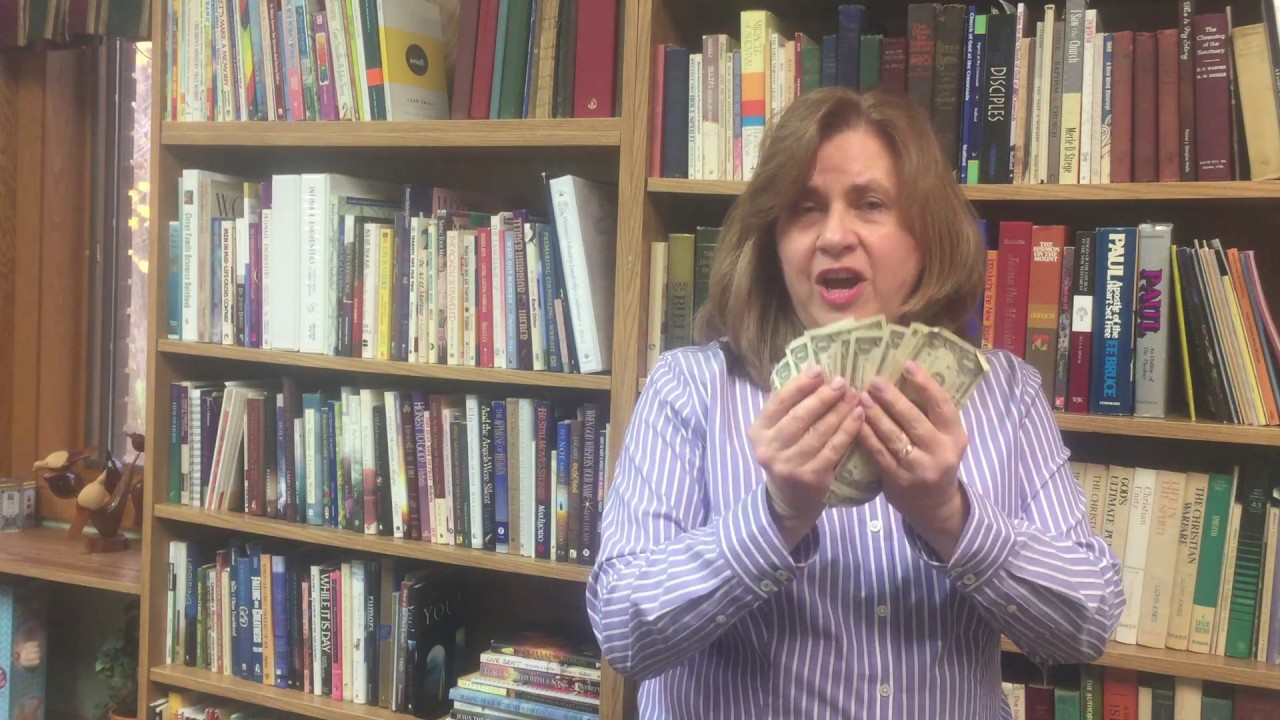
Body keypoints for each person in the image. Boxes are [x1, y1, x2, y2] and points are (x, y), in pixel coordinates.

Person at [585, 86, 1124, 719]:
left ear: (925, 236)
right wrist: (775, 517)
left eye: (871, 204)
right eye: (805, 209)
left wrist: (950, 517)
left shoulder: (1006, 393)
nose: (834, 236)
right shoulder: (690, 387)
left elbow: (1086, 625)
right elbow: (623, 632)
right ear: (773, 241)